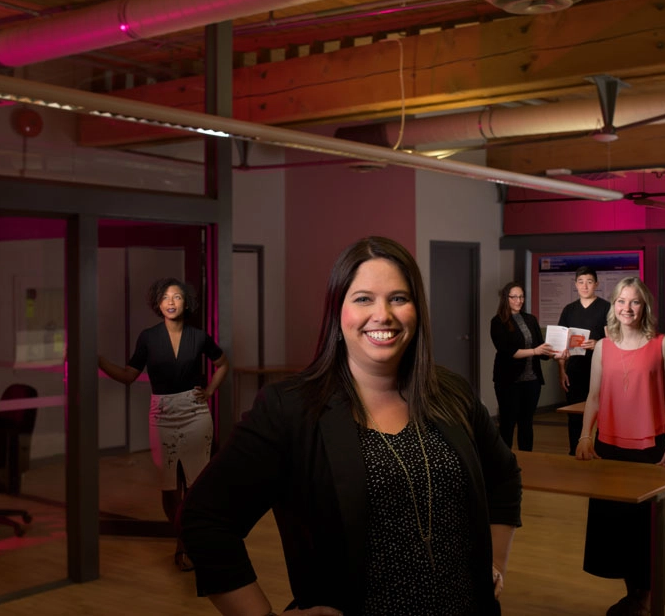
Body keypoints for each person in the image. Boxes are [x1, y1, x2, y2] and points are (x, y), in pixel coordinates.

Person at [180, 236, 522, 616]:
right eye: (363, 299)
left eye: (398, 298)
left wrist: (493, 563)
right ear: (337, 312)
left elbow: (504, 476)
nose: (383, 315)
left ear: (417, 310)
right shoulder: (290, 409)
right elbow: (206, 519)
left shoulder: (452, 393)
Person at [98, 277, 229, 571]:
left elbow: (223, 364)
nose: (171, 302)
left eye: (177, 297)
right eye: (165, 297)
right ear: (158, 303)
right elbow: (128, 375)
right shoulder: (148, 337)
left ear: (187, 303)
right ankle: (185, 538)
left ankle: (187, 545)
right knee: (169, 487)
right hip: (162, 414)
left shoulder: (199, 336)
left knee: (196, 485)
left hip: (195, 413)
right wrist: (97, 360)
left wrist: (209, 391)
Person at [575, 276, 665, 616]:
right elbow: (592, 397)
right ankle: (633, 596)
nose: (627, 308)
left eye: (634, 302)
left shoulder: (662, 344)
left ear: (644, 306)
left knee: (643, 530)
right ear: (614, 306)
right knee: (616, 528)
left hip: (650, 447)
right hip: (609, 445)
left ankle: (645, 597)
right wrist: (584, 436)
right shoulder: (603, 346)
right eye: (621, 301)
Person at [489, 282, 557, 452]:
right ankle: (505, 462)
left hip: (531, 381)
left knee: (526, 423)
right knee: (507, 423)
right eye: (514, 297)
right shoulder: (498, 322)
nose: (519, 300)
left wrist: (554, 353)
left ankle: (528, 459)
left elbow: (541, 348)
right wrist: (535, 351)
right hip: (508, 381)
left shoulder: (530, 319)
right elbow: (508, 352)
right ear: (506, 298)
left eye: (521, 297)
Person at [555, 266, 611, 455]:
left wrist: (599, 344)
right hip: (574, 370)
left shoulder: (606, 307)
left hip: (600, 370)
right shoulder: (569, 310)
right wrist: (561, 370)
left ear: (596, 284)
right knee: (574, 415)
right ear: (576, 285)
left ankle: (599, 450)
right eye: (581, 282)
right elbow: (561, 343)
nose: (585, 286)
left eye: (589, 282)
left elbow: (614, 340)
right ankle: (575, 451)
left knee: (602, 413)